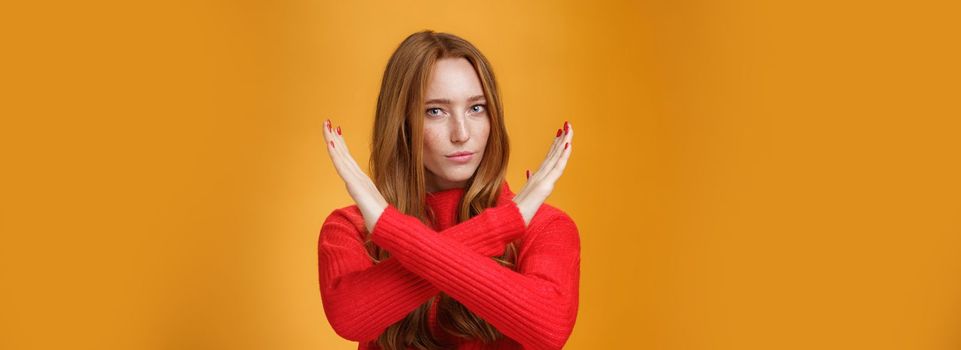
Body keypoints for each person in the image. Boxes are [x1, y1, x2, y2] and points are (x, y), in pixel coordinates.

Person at [317, 30, 579, 350]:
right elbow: (351, 318)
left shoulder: (545, 226)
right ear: (402, 124)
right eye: (435, 111)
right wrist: (501, 226)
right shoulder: (351, 228)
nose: (462, 133)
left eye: (476, 108)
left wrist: (391, 229)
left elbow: (549, 329)